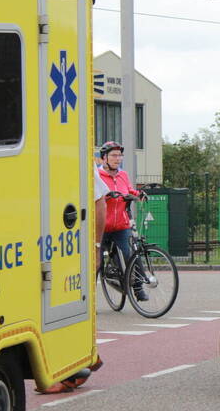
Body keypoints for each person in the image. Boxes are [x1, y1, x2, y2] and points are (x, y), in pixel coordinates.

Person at [36, 168, 108, 394]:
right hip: (45, 243)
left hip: (71, 246)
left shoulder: (82, 161)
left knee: (67, 305)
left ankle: (74, 368)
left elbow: (99, 201)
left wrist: (96, 248)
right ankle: (84, 359)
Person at [97, 140, 148, 301]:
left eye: (120, 155)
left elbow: (129, 190)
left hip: (121, 225)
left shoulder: (123, 175)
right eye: (113, 155)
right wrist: (106, 195)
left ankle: (138, 288)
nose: (117, 158)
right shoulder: (97, 175)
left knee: (131, 253)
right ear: (104, 158)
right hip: (101, 226)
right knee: (95, 261)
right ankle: (90, 301)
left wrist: (138, 194)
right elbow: (91, 195)